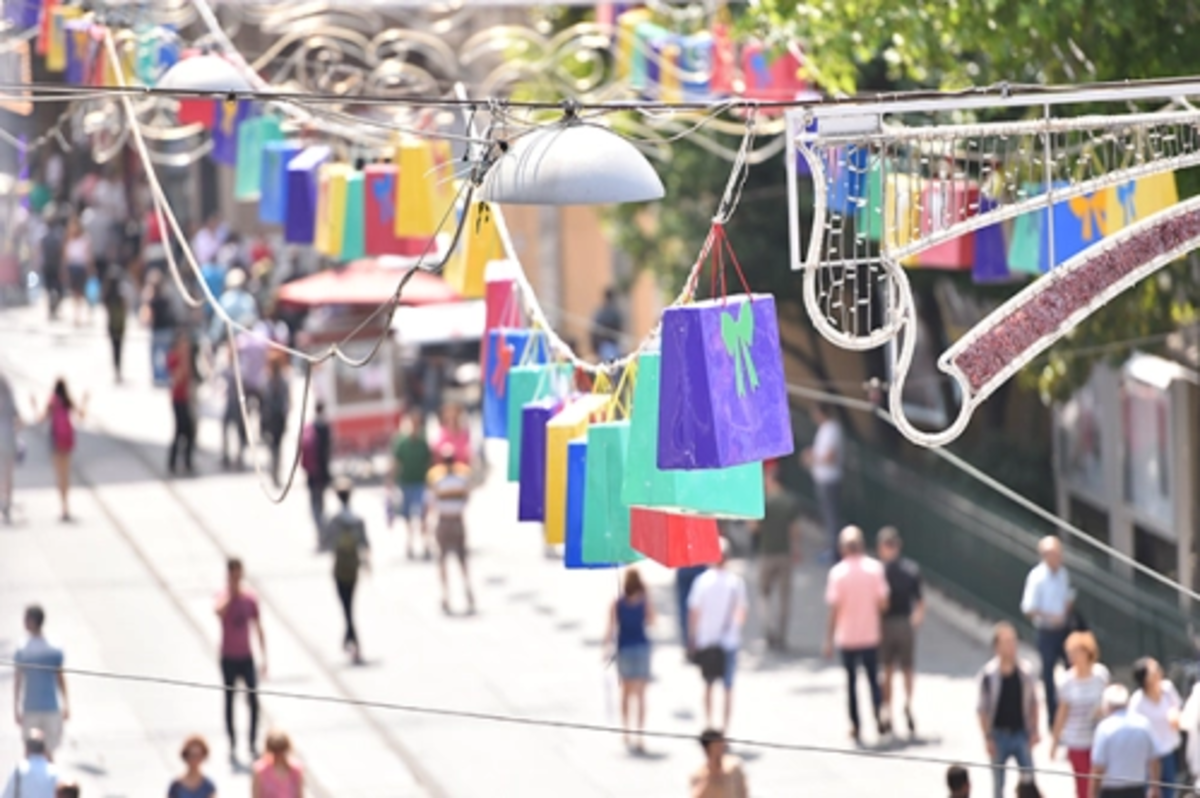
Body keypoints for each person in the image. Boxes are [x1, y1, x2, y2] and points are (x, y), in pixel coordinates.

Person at [823, 525, 889, 742]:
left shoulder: (838, 573)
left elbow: (834, 609)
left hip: (848, 636)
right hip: (870, 634)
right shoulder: (875, 569)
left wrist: (828, 639)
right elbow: (883, 602)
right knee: (872, 679)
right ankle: (878, 714)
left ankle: (855, 724)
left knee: (851, 682)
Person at [688, 538, 747, 731]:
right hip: (728, 642)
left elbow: (694, 612)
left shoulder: (702, 581)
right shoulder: (736, 583)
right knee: (728, 687)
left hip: (706, 640)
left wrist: (692, 637)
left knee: (708, 684)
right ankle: (725, 727)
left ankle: (709, 723)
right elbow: (741, 614)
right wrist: (733, 628)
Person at [976, 622, 1039, 798]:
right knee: (998, 785)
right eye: (1007, 642)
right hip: (998, 734)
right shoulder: (989, 675)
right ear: (997, 647)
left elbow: (1034, 702)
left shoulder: (1025, 673)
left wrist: (1034, 730)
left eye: (1013, 642)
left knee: (1029, 780)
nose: (1011, 647)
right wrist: (987, 737)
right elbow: (982, 709)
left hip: (1021, 733)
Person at [216, 557, 267, 761]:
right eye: (233, 575)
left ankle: (253, 742)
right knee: (229, 700)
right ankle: (232, 742)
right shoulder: (223, 596)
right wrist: (232, 595)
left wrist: (264, 657)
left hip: (247, 656)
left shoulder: (250, 599)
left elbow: (258, 625)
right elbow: (218, 612)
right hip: (228, 657)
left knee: (253, 700)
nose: (237, 579)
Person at [1021, 535, 1074, 731]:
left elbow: (1067, 595)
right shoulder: (1037, 577)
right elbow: (1028, 607)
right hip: (1046, 630)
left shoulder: (1063, 574)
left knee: (1072, 670)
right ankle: (1054, 719)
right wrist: (1050, 616)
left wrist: (1066, 609)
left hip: (1064, 630)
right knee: (1049, 675)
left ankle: (1071, 714)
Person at [877, 526, 925, 736]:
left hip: (889, 623)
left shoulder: (879, 572)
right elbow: (921, 601)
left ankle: (895, 706)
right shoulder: (909, 570)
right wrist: (915, 621)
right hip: (901, 623)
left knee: (893, 668)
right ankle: (898, 705)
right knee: (900, 669)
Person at [1050, 631, 1110, 798]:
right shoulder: (1067, 681)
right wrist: (1055, 742)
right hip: (1077, 740)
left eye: (1076, 652)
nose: (1072, 656)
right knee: (1084, 787)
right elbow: (1062, 713)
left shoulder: (1101, 675)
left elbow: (1108, 702)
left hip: (1099, 738)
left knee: (1102, 784)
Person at [750, 463, 801, 651]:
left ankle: (768, 629)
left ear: (771, 480)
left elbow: (755, 528)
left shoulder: (764, 502)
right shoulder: (789, 501)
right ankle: (782, 635)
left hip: (766, 553)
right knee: (784, 597)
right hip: (785, 554)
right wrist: (796, 550)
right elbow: (795, 530)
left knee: (764, 594)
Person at [605, 567, 655, 753]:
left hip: (624, 649)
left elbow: (610, 628)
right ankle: (640, 734)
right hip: (642, 648)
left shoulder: (617, 603)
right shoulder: (644, 601)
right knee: (641, 695)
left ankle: (626, 730)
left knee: (625, 693)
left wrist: (605, 649)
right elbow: (652, 621)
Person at [13, 606, 68, 758]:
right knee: (38, 751)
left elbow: (59, 676)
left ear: (33, 621)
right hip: (41, 707)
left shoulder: (25, 648)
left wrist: (16, 708)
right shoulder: (49, 646)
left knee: (42, 752)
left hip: (40, 707)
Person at [427, 444, 475, 614]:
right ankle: (464, 591)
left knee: (445, 559)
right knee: (460, 559)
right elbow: (468, 496)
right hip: (456, 520)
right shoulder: (462, 477)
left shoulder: (437, 478)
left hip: (445, 521)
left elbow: (432, 501)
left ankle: (448, 595)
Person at [327, 477, 370, 663]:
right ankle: (350, 638)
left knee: (346, 606)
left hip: (340, 566)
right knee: (349, 604)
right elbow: (365, 544)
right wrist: (367, 564)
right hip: (353, 566)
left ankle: (351, 639)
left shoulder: (334, 520)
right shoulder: (357, 520)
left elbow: (326, 542)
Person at [1091, 684, 1160, 798]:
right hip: (1137, 790)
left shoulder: (1105, 728)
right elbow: (1154, 759)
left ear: (1107, 705)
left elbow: (1098, 766)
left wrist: (1092, 793)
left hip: (1111, 791)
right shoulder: (1144, 725)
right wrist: (1154, 787)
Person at [1129, 657, 1182, 798]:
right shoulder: (1137, 702)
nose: (1159, 672)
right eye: (1154, 671)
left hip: (1170, 752)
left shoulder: (1168, 689)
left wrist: (1175, 716)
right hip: (1148, 757)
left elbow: (1177, 709)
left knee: (1170, 791)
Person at [801, 403, 843, 562]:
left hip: (829, 480)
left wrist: (813, 459)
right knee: (827, 517)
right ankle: (831, 549)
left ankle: (834, 553)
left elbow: (830, 456)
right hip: (822, 479)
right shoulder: (825, 429)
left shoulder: (832, 429)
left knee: (831, 518)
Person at [38, 379, 84, 522]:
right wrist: (85, 400)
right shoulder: (68, 401)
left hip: (56, 442)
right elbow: (81, 416)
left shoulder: (52, 401)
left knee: (59, 476)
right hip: (67, 442)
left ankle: (63, 507)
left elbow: (41, 419)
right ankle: (67, 506)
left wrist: (33, 404)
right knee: (66, 475)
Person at [389, 411, 432, 560]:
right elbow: (396, 462)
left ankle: (426, 545)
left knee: (423, 517)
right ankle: (410, 545)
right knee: (407, 517)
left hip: (420, 483)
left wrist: (431, 482)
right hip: (406, 483)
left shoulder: (423, 443)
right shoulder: (402, 443)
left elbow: (429, 463)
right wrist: (390, 480)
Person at [300, 401, 332, 547]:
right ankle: (323, 533)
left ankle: (321, 533)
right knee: (321, 505)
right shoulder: (325, 428)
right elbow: (328, 452)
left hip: (312, 474)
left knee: (315, 506)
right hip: (322, 473)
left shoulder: (310, 427)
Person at [167, 333, 196, 476]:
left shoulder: (188, 359)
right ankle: (173, 462)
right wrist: (183, 362)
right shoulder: (174, 358)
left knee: (189, 432)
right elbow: (177, 378)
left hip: (186, 399)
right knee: (180, 431)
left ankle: (187, 461)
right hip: (178, 400)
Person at [688, 728, 748, 798]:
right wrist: (711, 777)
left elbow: (744, 792)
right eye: (717, 746)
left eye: (722, 745)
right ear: (707, 749)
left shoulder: (735, 766)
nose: (721, 749)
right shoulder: (698, 775)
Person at [142, 271, 177, 386]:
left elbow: (146, 317)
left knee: (154, 354)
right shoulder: (166, 299)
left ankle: (157, 376)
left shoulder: (152, 301)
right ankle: (164, 375)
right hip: (166, 330)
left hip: (157, 330)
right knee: (165, 354)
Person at [260, 354, 290, 488]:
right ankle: (274, 471)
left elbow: (286, 401)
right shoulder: (268, 381)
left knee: (276, 447)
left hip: (277, 418)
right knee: (273, 447)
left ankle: (275, 472)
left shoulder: (281, 381)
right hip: (271, 419)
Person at [0, 730, 58, 798]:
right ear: (44, 751)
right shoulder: (54, 772)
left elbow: (7, 795)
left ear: (27, 750)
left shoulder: (19, 771)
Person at [251, 730, 303, 798]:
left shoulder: (296, 770)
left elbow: (300, 795)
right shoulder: (260, 770)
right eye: (274, 750)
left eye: (281, 750)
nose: (278, 754)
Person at [102, 266, 130, 384]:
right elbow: (126, 307)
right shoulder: (120, 295)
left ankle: (116, 370)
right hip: (120, 325)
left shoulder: (107, 295)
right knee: (119, 349)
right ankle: (118, 370)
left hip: (112, 325)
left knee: (114, 349)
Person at [62, 216, 92, 327]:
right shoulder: (68, 240)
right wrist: (64, 270)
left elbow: (88, 256)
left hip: (81, 267)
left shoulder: (84, 239)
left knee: (82, 292)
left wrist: (90, 269)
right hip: (72, 267)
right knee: (75, 293)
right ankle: (76, 315)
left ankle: (86, 312)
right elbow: (66, 257)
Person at [0, 372, 21, 524]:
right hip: (8, 439)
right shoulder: (9, 397)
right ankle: (7, 500)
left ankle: (3, 500)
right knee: (8, 473)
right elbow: (17, 417)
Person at [676, 565, 708, 653]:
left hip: (684, 566)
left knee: (685, 606)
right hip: (700, 565)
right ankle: (700, 640)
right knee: (701, 606)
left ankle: (688, 641)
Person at [40, 207, 64, 321]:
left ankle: (53, 308)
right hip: (52, 266)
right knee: (54, 289)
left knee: (55, 290)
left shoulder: (56, 234)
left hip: (52, 266)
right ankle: (51, 309)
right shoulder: (47, 234)